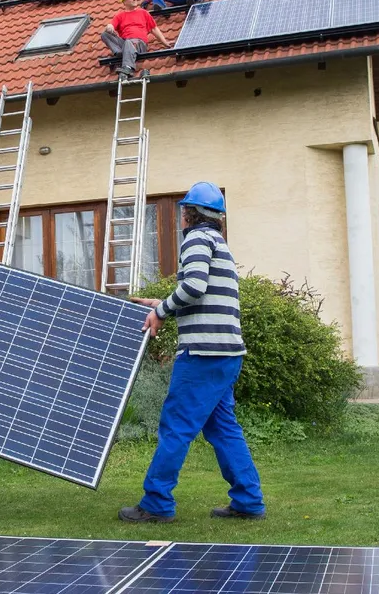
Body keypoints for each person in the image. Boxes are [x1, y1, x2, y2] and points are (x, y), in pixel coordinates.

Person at [119, 182, 266, 524]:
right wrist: (166, 305)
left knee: (176, 427)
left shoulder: (196, 239)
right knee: (223, 428)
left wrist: (160, 312)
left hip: (202, 354)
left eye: (183, 211)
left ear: (189, 213)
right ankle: (248, 500)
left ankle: (155, 504)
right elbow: (202, 294)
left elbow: (194, 286)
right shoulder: (219, 244)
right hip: (227, 353)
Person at [101, 0, 172, 78]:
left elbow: (154, 29)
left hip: (139, 44)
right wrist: (109, 27)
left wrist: (165, 42)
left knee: (128, 42)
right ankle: (121, 53)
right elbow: (111, 25)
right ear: (124, 1)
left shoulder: (143, 13)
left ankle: (128, 67)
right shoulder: (120, 16)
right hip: (126, 43)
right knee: (105, 34)